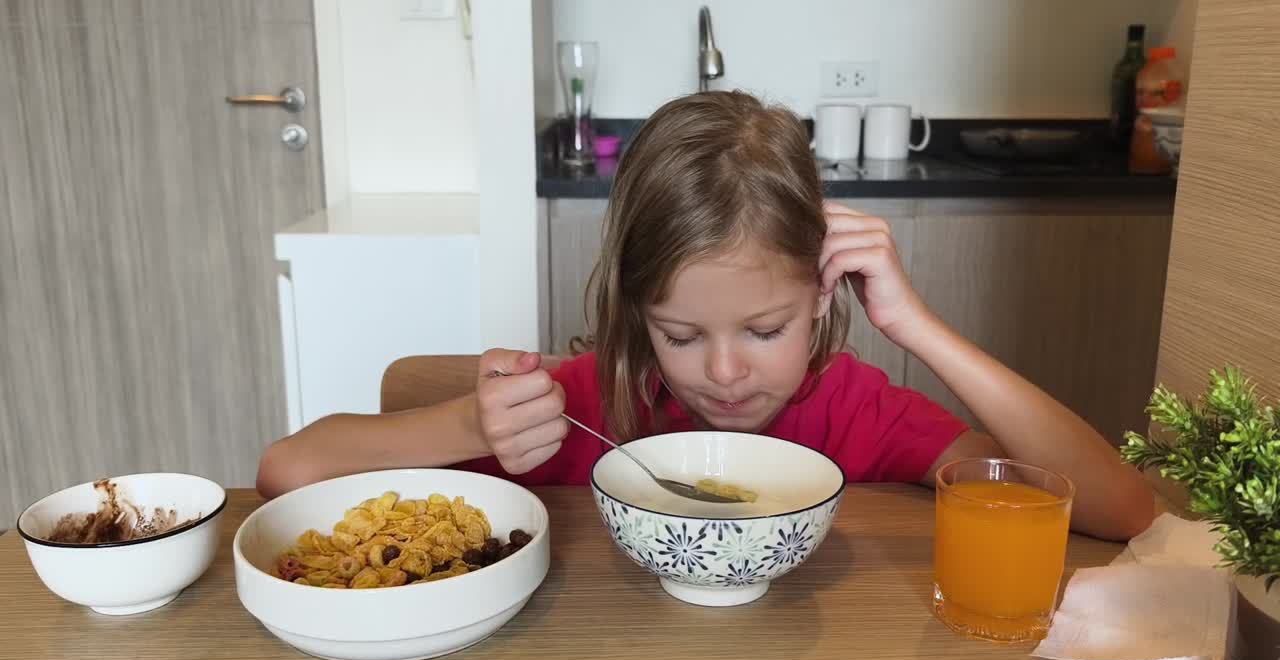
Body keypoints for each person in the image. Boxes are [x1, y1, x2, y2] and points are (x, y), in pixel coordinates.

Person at [257, 91, 1154, 542]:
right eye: (680, 335)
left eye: (764, 330)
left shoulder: (855, 409)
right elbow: (289, 470)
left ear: (821, 292)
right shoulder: (584, 404)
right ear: (634, 315)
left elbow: (1120, 507)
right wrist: (463, 421)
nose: (724, 375)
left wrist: (919, 327)